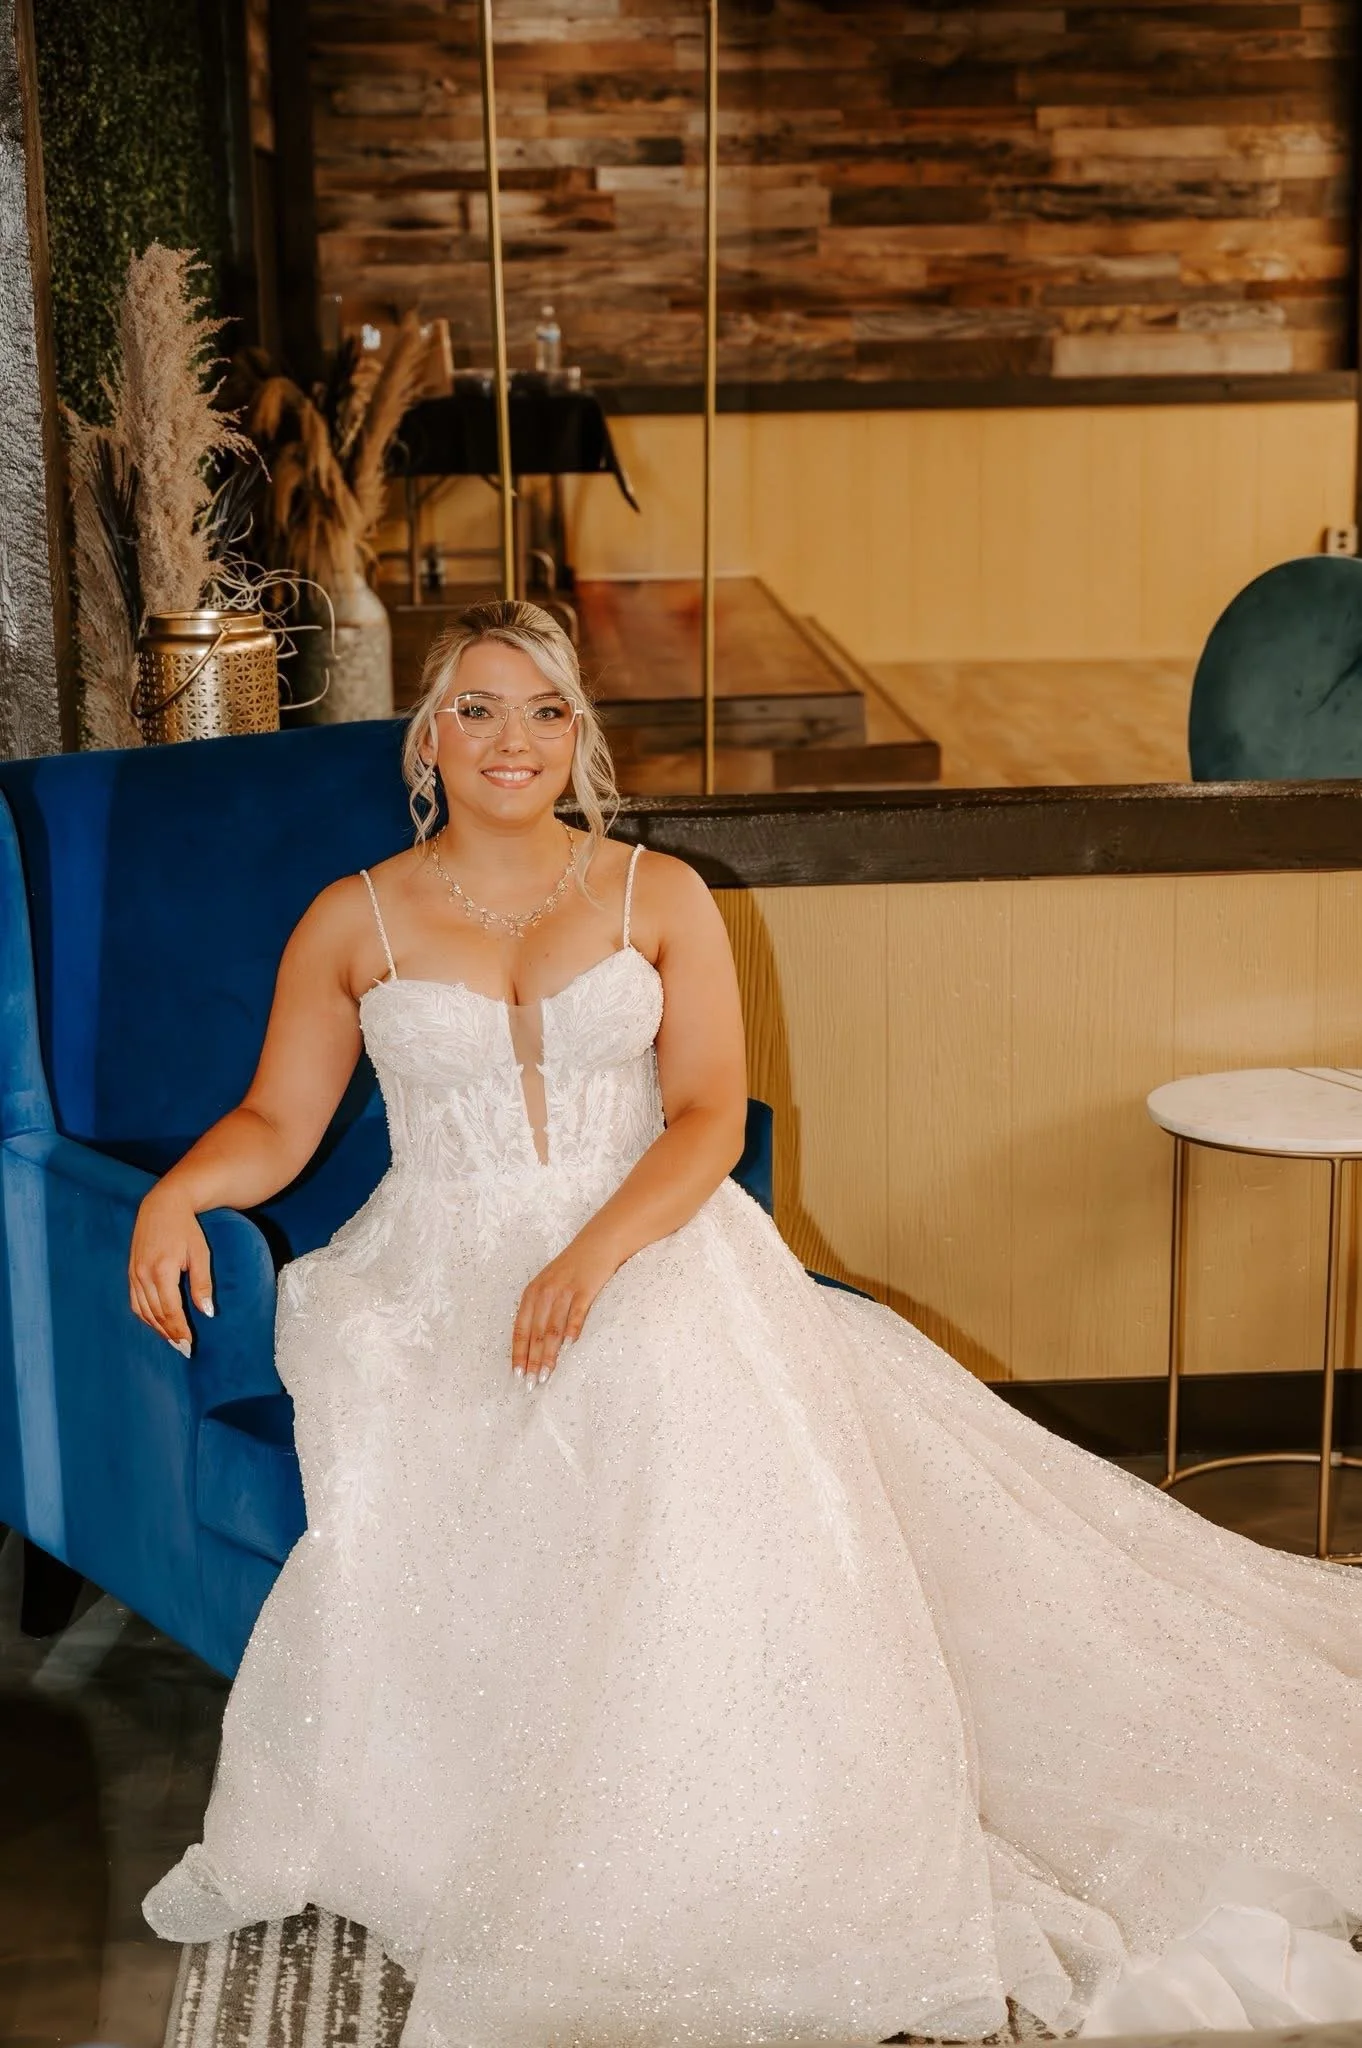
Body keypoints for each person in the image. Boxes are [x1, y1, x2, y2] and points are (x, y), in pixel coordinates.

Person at [138, 600, 1361, 2044]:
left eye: (540, 709)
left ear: (577, 732)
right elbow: (280, 1120)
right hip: (431, 1273)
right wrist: (175, 1195)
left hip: (647, 1230)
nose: (509, 739)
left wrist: (591, 1256)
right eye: (475, 708)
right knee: (460, 1402)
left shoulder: (657, 894)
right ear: (428, 738)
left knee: (658, 1375)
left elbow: (710, 1117)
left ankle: (721, 1803)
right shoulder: (354, 915)